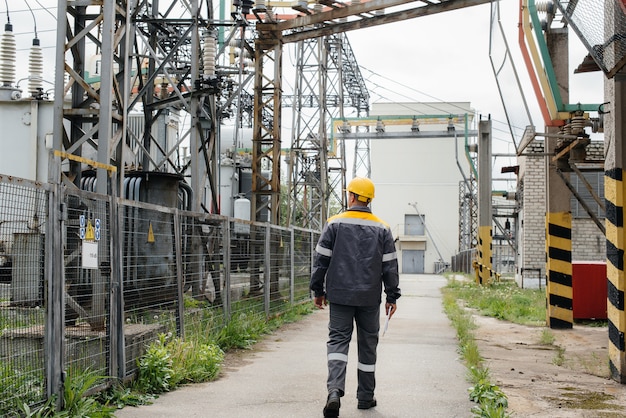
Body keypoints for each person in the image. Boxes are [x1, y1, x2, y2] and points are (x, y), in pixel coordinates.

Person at [310, 177, 401, 418]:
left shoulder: (334, 224)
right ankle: (365, 397)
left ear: (351, 196)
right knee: (367, 345)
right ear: (369, 199)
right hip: (369, 298)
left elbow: (321, 261)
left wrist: (317, 290)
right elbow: (390, 266)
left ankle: (334, 391)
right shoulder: (383, 228)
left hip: (339, 296)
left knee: (338, 342)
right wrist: (392, 296)